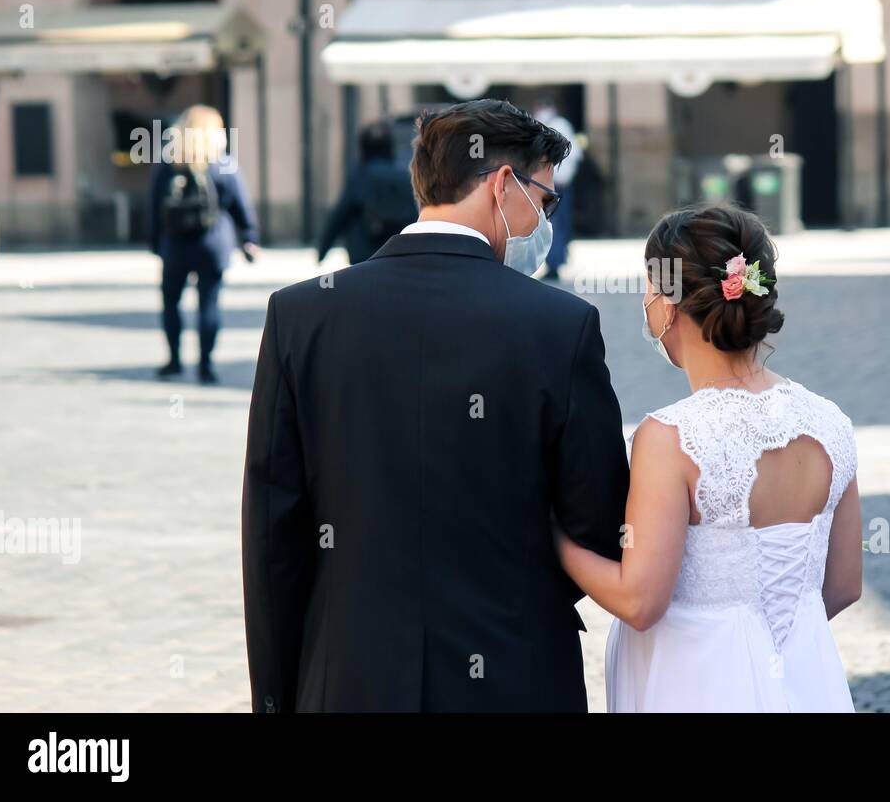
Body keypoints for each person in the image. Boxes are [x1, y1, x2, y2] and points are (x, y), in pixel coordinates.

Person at [241, 98, 630, 712]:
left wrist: (275, 698)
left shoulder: (301, 314)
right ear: (504, 184)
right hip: (514, 671)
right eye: (546, 202)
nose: (546, 222)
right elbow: (600, 521)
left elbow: (272, 536)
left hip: (349, 676)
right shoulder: (560, 324)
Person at [553, 204, 863, 712]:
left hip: (694, 684)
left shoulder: (671, 437)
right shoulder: (831, 423)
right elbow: (844, 584)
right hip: (808, 683)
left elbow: (639, 601)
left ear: (668, 305)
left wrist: (557, 539)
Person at [149, 104, 259, 385]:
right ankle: (206, 365)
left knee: (171, 302)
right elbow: (240, 204)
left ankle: (174, 361)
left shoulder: (169, 162)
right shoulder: (223, 164)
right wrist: (249, 237)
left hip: (175, 245)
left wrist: (154, 243)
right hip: (213, 244)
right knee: (208, 304)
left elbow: (154, 207)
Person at [316, 120, 418, 265]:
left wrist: (323, 250)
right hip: (396, 251)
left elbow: (341, 214)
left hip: (364, 253)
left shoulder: (360, 176)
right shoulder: (402, 175)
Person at [532, 97, 580, 281]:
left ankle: (555, 263)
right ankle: (556, 261)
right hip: (558, 184)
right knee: (557, 224)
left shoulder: (556, 126)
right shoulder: (556, 125)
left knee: (555, 225)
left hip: (555, 185)